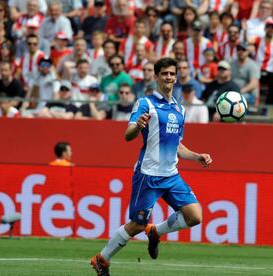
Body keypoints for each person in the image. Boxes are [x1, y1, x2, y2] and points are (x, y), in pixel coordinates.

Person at [90, 57, 213, 276]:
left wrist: (196, 156)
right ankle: (102, 259)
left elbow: (177, 145)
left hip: (171, 175)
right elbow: (127, 135)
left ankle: (156, 231)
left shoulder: (179, 109)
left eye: (172, 74)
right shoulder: (145, 103)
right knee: (137, 225)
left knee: (195, 216)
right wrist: (137, 126)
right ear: (156, 76)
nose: (169, 77)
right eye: (164, 73)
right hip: (148, 175)